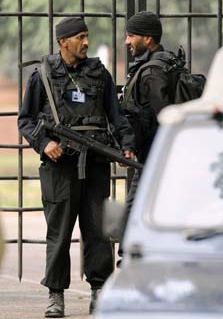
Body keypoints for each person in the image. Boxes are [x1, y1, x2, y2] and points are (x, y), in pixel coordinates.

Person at [17, 17, 135, 318]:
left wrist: (126, 145)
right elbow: (26, 120)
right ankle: (56, 295)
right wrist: (44, 144)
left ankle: (99, 291)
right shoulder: (42, 75)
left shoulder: (99, 74)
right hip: (60, 168)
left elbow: (117, 116)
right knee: (58, 233)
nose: (85, 42)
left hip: (94, 164)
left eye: (87, 36)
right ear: (63, 42)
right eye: (80, 37)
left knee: (97, 230)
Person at [118, 11, 171, 263]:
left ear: (148, 39)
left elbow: (165, 118)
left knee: (133, 214)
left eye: (131, 36)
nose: (127, 42)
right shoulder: (159, 64)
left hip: (155, 160)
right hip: (152, 157)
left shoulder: (152, 72)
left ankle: (129, 262)